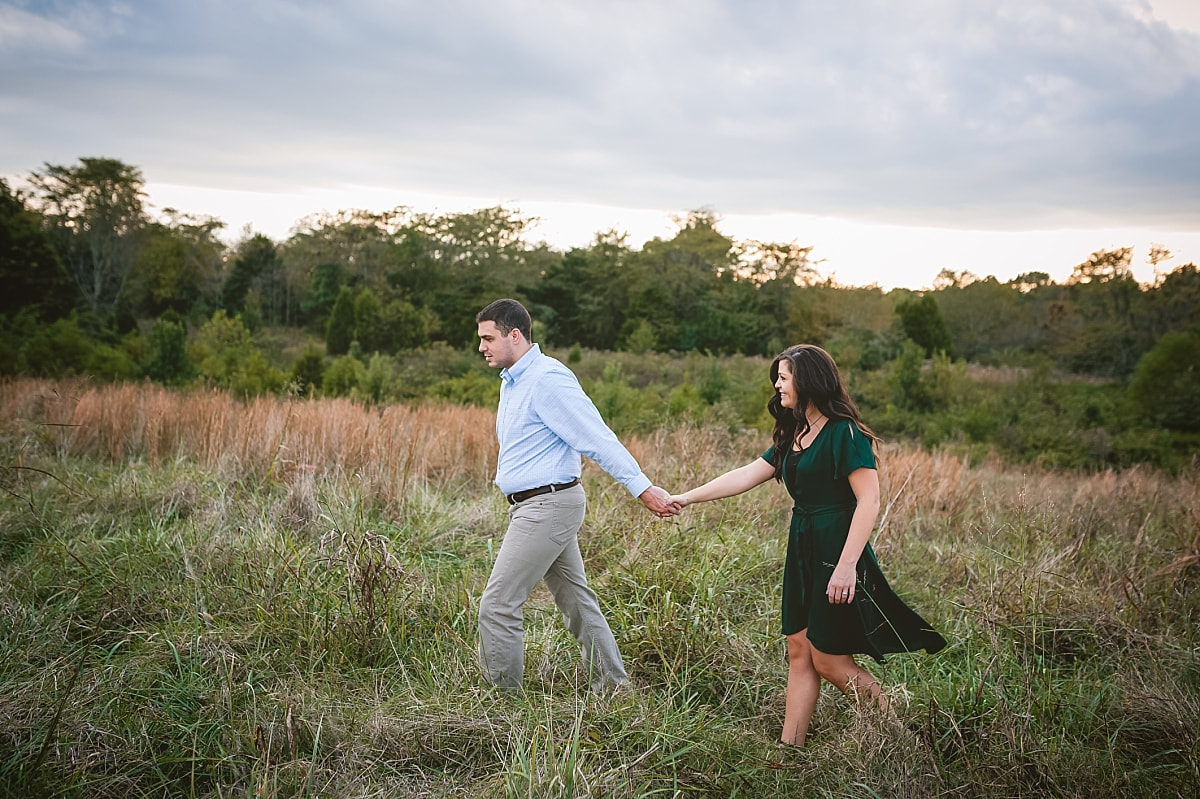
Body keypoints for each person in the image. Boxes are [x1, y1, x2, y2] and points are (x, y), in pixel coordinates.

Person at [669, 344, 945, 745]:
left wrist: (847, 565)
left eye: (784, 377)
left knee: (831, 660)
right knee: (799, 650)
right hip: (802, 545)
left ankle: (902, 736)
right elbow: (747, 474)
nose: (778, 385)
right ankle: (788, 750)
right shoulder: (795, 431)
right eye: (778, 378)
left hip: (837, 548)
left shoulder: (844, 432)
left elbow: (869, 500)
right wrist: (685, 497)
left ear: (809, 380)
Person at [475, 298, 678, 693]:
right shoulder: (513, 381)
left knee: (497, 606)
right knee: (577, 604)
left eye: (488, 338)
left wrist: (643, 488)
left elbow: (597, 437)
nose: (482, 347)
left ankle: (501, 709)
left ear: (514, 335)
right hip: (535, 506)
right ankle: (615, 690)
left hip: (547, 506)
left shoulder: (548, 378)